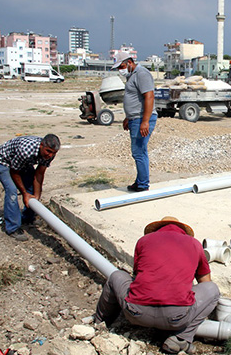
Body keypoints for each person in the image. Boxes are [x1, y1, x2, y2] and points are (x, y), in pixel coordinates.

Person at [94, 216, 220, 355]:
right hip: (176, 318)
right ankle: (180, 338)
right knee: (212, 289)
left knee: (116, 276)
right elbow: (205, 282)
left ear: (157, 229)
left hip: (135, 313)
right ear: (182, 231)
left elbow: (137, 276)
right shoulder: (194, 244)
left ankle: (99, 323)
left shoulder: (143, 241)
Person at [0, 134, 60, 241]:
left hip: (21, 163)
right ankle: (12, 228)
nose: (50, 155)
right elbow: (14, 172)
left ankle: (28, 218)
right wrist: (24, 193)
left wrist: (36, 196)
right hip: (1, 162)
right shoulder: (26, 151)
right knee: (12, 191)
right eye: (48, 151)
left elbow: (39, 174)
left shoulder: (49, 154)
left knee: (32, 188)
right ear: (41, 145)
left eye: (53, 153)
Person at [111, 51, 157, 192]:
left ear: (130, 62)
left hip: (141, 119)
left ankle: (143, 185)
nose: (121, 70)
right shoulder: (132, 76)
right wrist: (128, 117)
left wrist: (145, 121)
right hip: (135, 118)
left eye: (122, 66)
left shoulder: (141, 74)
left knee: (139, 151)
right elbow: (135, 99)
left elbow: (149, 97)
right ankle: (140, 181)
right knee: (138, 151)